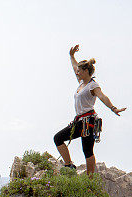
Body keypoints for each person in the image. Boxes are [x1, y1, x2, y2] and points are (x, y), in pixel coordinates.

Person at [53, 44, 126, 175]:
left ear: (86, 71)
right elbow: (75, 66)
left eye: (79, 71)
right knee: (58, 138)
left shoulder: (93, 85)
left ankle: (90, 179)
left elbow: (103, 97)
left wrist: (113, 108)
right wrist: (71, 56)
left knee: (87, 150)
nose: (77, 72)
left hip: (88, 122)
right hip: (79, 121)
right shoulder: (81, 82)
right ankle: (69, 165)